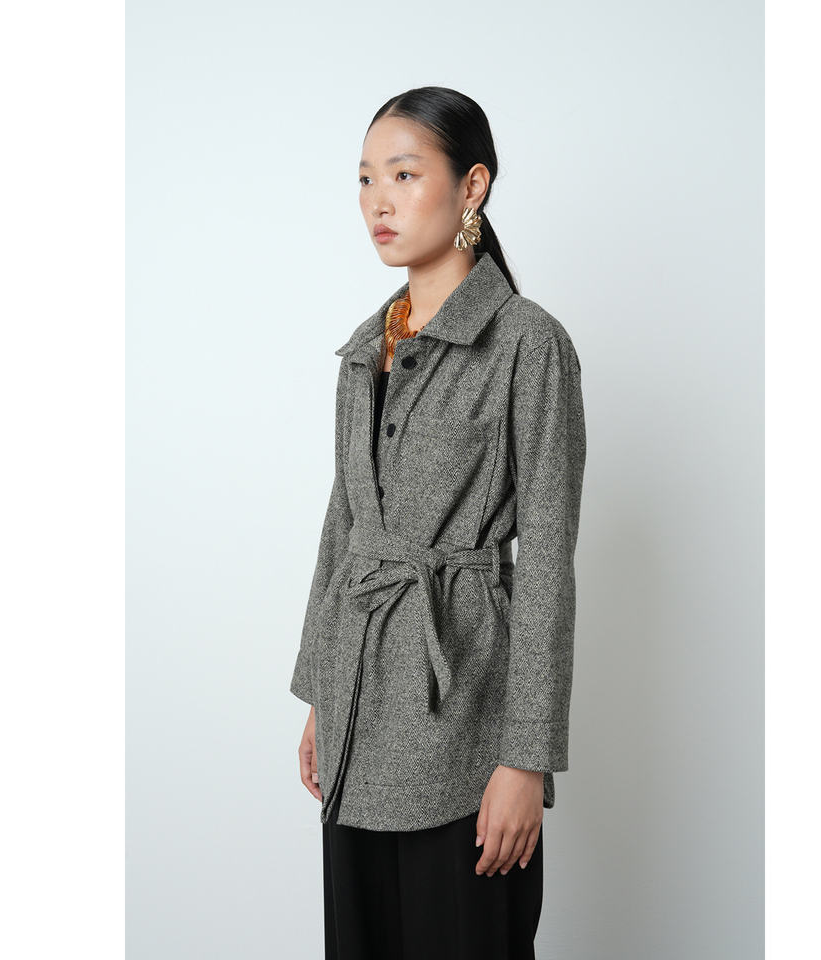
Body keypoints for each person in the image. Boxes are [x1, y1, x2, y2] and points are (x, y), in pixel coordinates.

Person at [290, 86, 587, 959]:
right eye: (365, 178)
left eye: (405, 174)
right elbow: (345, 525)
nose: (377, 201)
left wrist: (526, 759)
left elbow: (548, 559)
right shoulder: (364, 350)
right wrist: (322, 694)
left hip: (467, 721)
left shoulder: (528, 343)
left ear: (472, 188)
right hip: (358, 711)